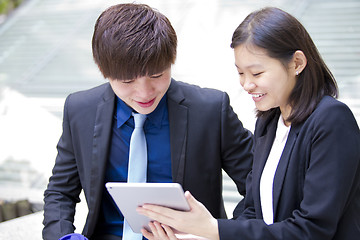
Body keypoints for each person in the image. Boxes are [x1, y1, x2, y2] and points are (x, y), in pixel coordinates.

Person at [137, 7, 360, 240]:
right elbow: (255, 210)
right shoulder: (269, 122)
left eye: (257, 73)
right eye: (241, 73)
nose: (246, 84)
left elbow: (313, 229)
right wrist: (196, 236)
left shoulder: (331, 120)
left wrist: (215, 229)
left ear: (297, 63)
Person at [42, 3, 254, 240]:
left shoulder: (211, 110)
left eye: (157, 75)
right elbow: (60, 192)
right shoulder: (80, 109)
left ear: (171, 60)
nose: (144, 94)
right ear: (103, 70)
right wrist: (64, 237)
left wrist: (219, 233)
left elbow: (262, 186)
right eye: (127, 81)